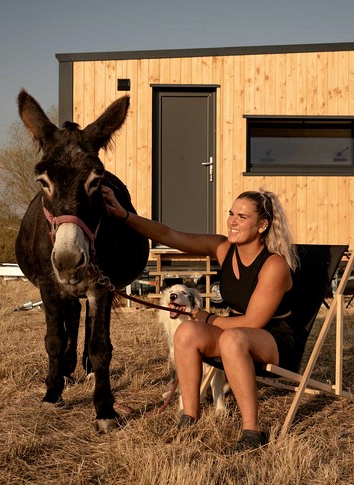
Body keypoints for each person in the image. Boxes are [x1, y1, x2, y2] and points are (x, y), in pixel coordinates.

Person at [102, 186, 299, 452]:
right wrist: (125, 215)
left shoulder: (275, 265)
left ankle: (253, 433)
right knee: (187, 332)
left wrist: (208, 318)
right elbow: (169, 235)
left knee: (230, 337)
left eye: (242, 217)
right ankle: (189, 417)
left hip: (275, 339)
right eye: (231, 213)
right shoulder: (223, 248)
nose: (232, 221)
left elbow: (253, 322)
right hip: (235, 332)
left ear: (262, 225)